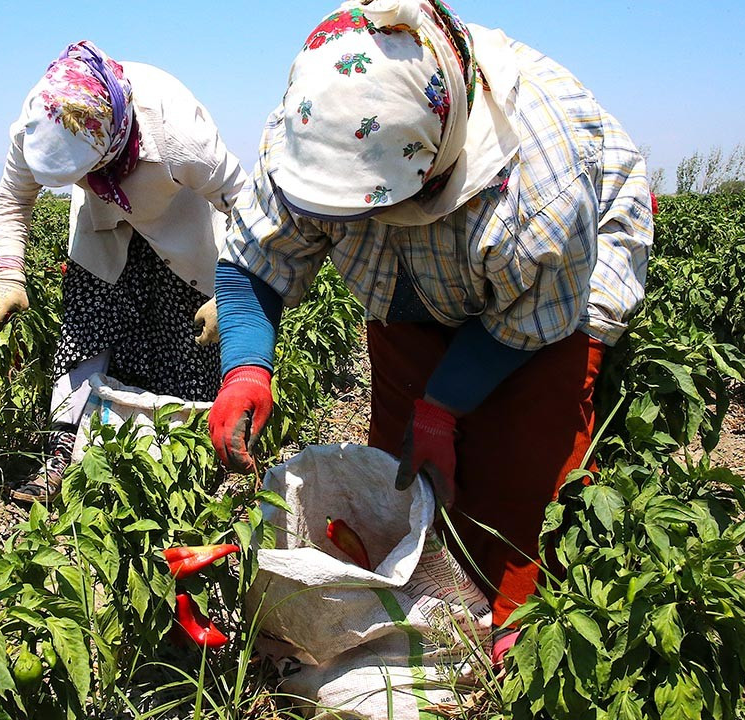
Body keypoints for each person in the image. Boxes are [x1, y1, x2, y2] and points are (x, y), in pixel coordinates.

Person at [208, 0, 652, 665]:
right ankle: (425, 601)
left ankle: (521, 625)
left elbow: (528, 324)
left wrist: (445, 407)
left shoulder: (540, 182)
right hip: (411, 291)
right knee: (403, 466)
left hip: (544, 300)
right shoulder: (315, 130)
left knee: (528, 461)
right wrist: (246, 367)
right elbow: (253, 260)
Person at [0, 41, 246, 502]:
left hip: (182, 229)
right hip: (103, 232)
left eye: (89, 171)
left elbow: (245, 204)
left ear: (113, 138)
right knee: (85, 333)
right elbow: (12, 200)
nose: (83, 183)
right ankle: (64, 455)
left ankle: (180, 471)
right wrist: (9, 273)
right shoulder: (41, 123)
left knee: (184, 343)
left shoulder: (177, 131)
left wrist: (233, 287)